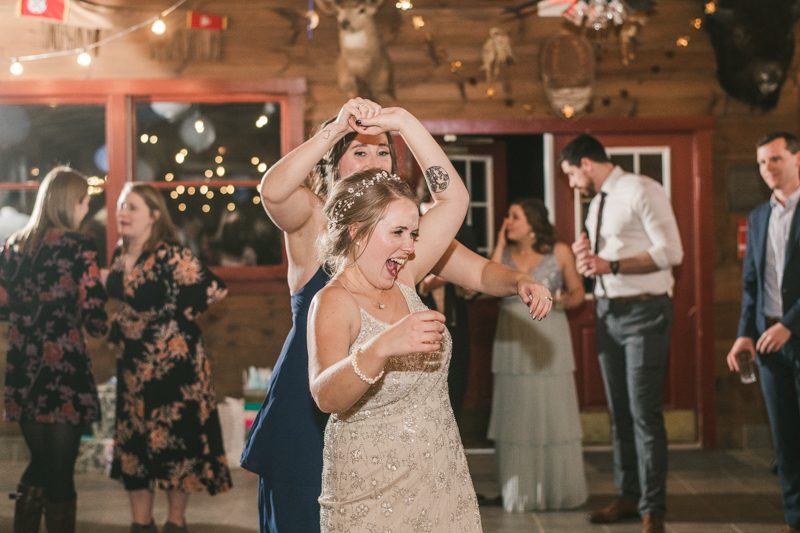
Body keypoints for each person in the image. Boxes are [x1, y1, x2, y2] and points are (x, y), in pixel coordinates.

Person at [241, 98, 553, 533]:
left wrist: (520, 280)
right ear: (335, 162)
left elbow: (476, 264)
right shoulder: (312, 215)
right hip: (309, 399)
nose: (373, 160)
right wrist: (333, 128)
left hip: (407, 434)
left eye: (383, 150)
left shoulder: (406, 238)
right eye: (360, 150)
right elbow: (272, 191)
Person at [307, 148, 551, 530]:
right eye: (398, 233)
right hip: (370, 489)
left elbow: (455, 201)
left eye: (415, 233)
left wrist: (521, 280)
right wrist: (382, 346)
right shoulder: (334, 301)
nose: (410, 246)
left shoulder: (403, 276)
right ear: (356, 231)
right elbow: (326, 396)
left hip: (440, 475)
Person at [560, 134, 683, 533]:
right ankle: (629, 496)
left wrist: (610, 265)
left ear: (587, 164)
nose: (572, 184)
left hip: (645, 312)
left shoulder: (641, 189)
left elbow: (672, 252)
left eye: (571, 175)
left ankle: (654, 509)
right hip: (608, 313)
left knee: (644, 413)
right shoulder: (595, 203)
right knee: (619, 415)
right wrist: (588, 263)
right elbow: (601, 261)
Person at [106, 183, 231, 533]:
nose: (123, 213)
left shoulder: (170, 254)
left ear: (154, 215)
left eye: (132, 207)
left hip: (173, 367)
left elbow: (214, 288)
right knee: (135, 447)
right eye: (120, 206)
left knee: (175, 443)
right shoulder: (120, 251)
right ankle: (140, 524)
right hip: (131, 366)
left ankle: (175, 524)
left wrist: (171, 321)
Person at [0, 167, 108, 533]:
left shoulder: (13, 245)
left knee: (40, 463)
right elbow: (94, 316)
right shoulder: (79, 246)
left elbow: (1, 303)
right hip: (63, 368)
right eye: (85, 202)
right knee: (60, 471)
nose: (86, 209)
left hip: (24, 366)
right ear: (71, 203)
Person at [487, 197, 587, 511]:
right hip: (512, 337)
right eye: (506, 217)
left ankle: (558, 488)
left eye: (514, 217)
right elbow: (487, 283)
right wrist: (499, 242)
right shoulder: (502, 254)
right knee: (516, 413)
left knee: (552, 410)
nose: (507, 222)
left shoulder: (559, 252)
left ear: (532, 223)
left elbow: (578, 292)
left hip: (550, 333)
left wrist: (559, 304)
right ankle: (521, 491)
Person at [726, 131, 800, 533]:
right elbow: (750, 283)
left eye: (775, 159)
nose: (767, 168)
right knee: (786, 439)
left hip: (794, 333)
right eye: (761, 162)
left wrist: (790, 325)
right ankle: (795, 520)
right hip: (768, 343)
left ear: (797, 159)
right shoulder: (758, 216)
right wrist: (744, 333)